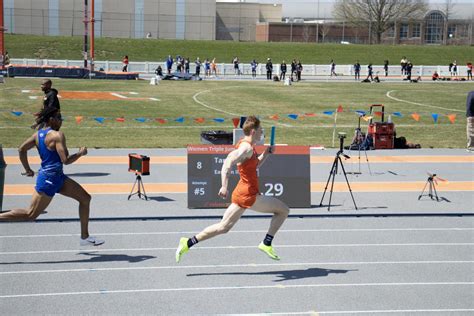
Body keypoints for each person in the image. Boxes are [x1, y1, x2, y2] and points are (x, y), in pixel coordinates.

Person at [175, 116, 290, 262]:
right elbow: (228, 162)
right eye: (261, 130)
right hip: (249, 195)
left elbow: (254, 166)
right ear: (254, 131)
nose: (262, 133)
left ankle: (187, 242)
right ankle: (266, 242)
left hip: (241, 193)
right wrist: (224, 185)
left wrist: (266, 154)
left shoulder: (249, 147)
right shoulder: (246, 148)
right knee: (283, 210)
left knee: (223, 227)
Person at [0, 107, 104, 246]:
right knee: (30, 215)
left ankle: (84, 237)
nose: (61, 121)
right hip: (49, 179)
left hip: (58, 177)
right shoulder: (57, 135)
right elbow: (65, 160)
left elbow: (21, 149)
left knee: (85, 198)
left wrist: (28, 169)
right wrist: (80, 153)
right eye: (59, 118)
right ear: (51, 119)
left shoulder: (38, 135)